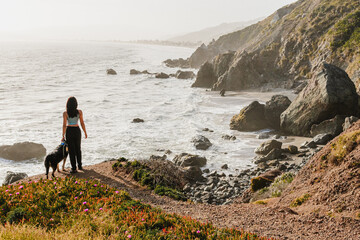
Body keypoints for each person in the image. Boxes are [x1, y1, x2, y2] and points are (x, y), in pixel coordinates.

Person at [62, 96, 88, 173]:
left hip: (69, 131)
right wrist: (85, 132)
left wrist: (63, 135)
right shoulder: (79, 112)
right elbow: (82, 123)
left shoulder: (65, 113)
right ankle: (79, 165)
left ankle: (73, 168)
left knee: (71, 150)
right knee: (78, 149)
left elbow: (64, 125)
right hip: (77, 130)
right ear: (76, 104)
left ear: (68, 104)